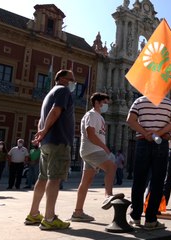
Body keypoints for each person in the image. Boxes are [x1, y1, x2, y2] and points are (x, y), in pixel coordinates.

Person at [24, 69, 75, 230]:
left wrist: (41, 135)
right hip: (58, 141)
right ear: (61, 79)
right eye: (71, 79)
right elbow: (56, 111)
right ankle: (50, 218)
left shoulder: (49, 94)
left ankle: (33, 214)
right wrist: (45, 131)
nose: (74, 82)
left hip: (47, 142)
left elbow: (42, 119)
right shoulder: (63, 90)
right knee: (54, 178)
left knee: (43, 177)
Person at [71, 92, 123, 222]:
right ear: (97, 103)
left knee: (86, 182)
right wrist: (105, 148)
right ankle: (108, 195)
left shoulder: (99, 117)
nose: (106, 105)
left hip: (90, 151)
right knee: (111, 167)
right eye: (104, 103)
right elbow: (91, 134)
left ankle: (78, 212)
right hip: (93, 150)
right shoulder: (92, 114)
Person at [127, 95, 171, 230]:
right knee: (157, 181)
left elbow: (130, 120)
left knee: (139, 180)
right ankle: (151, 219)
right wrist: (159, 133)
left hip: (143, 141)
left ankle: (135, 217)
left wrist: (145, 132)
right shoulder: (170, 103)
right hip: (160, 142)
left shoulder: (139, 101)